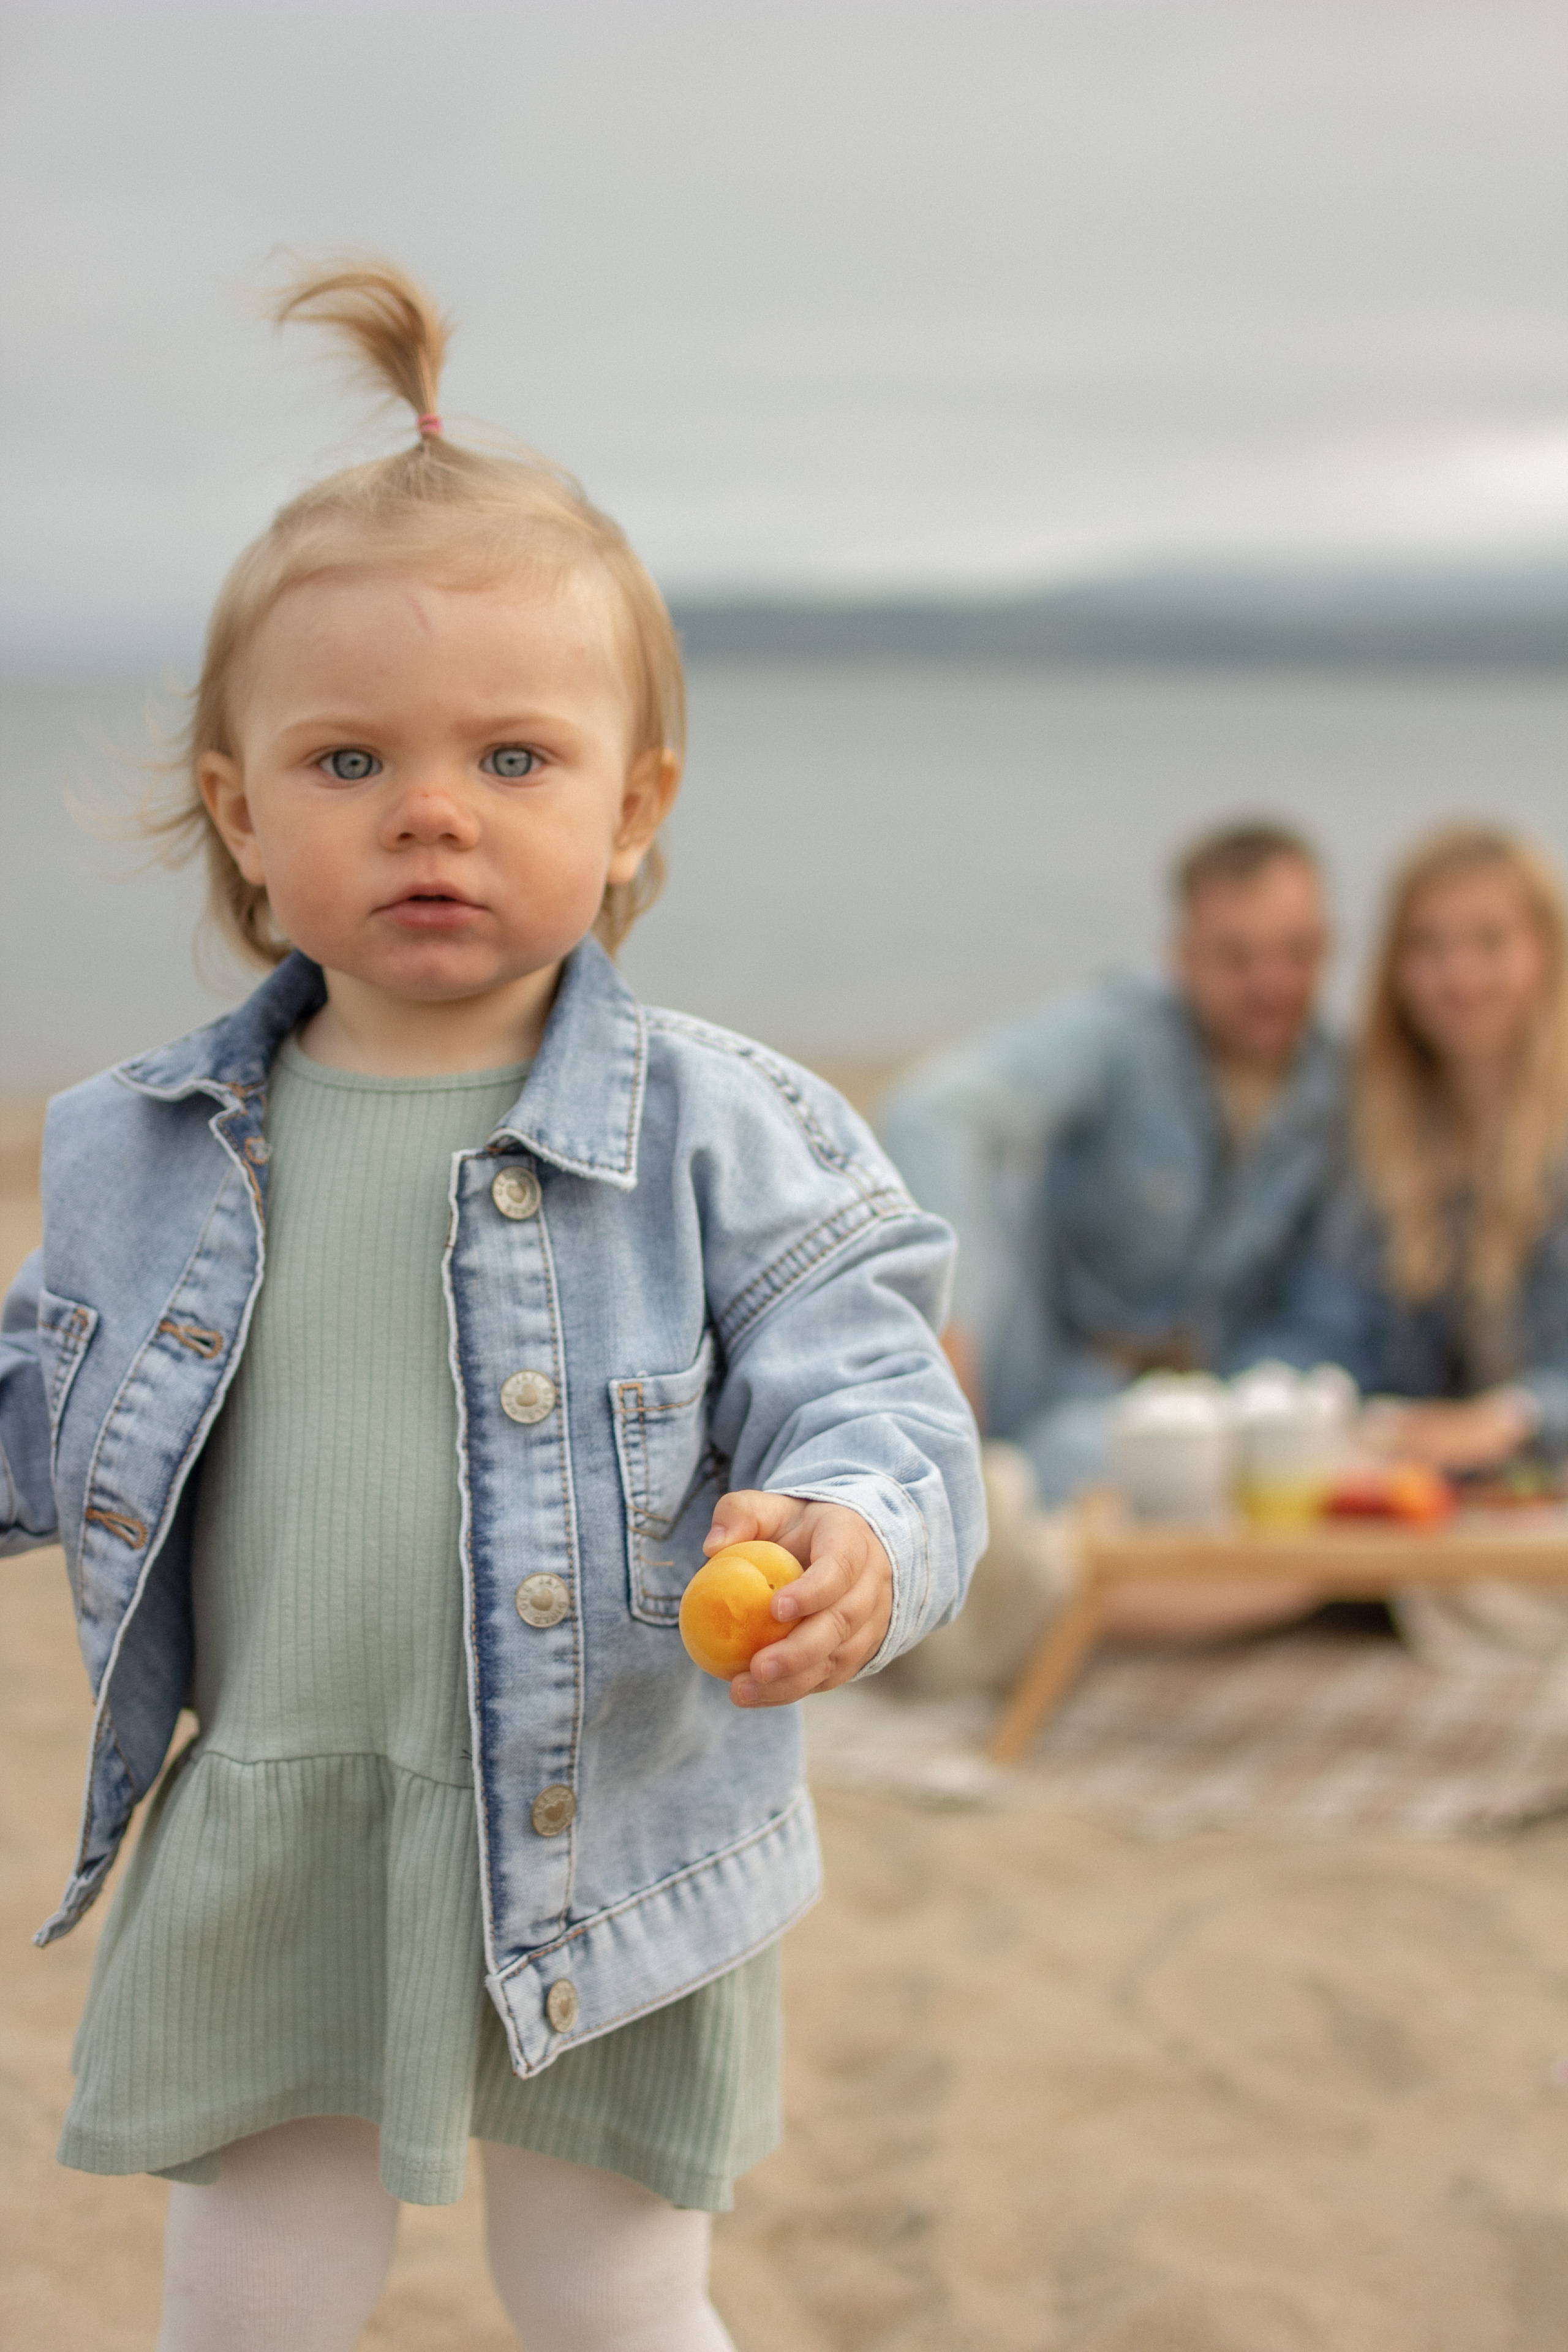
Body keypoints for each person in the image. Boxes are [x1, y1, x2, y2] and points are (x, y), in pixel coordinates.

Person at [0, 262, 983, 2350]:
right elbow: (37, 1404)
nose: (431, 807)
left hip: (609, 1824)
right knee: (243, 2298)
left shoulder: (731, 1130)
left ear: (633, 807)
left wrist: (857, 1535)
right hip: (278, 1814)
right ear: (244, 812)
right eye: (350, 755)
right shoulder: (138, 1141)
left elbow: (872, 1388)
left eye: (515, 754)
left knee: (614, 2294)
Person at [877, 823, 1341, 1505]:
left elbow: (1328, 1307)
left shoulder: (1343, 1088)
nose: (1268, 983)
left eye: (1294, 953)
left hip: (1210, 1412)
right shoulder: (1121, 1030)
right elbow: (932, 1115)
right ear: (1182, 955)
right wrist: (949, 1335)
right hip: (1040, 1369)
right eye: (1237, 957)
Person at [1265, 825, 1568, 1659]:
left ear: (1545, 951)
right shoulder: (1384, 1132)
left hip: (1531, 1481)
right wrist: (1294, 1403)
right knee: (1288, 1521)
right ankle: (1028, 1602)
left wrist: (1507, 1420)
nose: (1458, 975)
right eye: (1428, 947)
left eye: (1489, 942)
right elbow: (1332, 1324)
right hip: (1435, 1491)